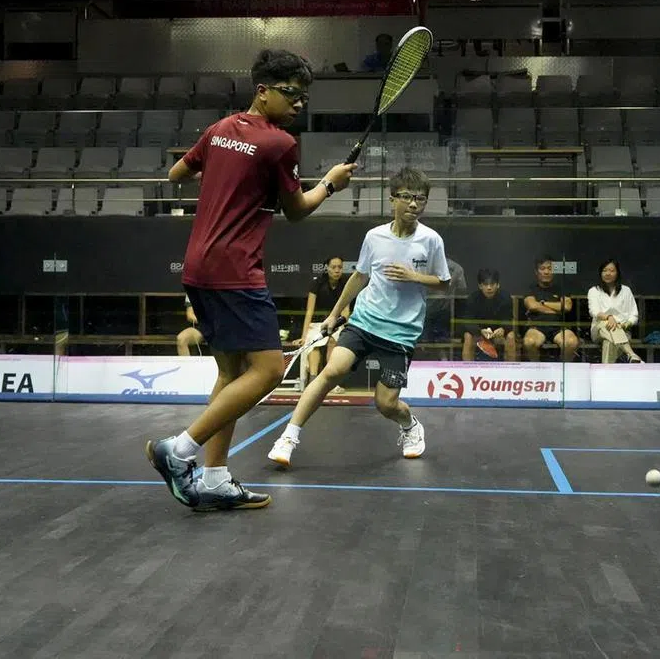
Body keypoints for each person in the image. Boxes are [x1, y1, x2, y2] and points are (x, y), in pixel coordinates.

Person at [144, 49, 357, 512]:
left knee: (230, 372)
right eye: (291, 94)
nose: (299, 104)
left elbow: (176, 174)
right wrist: (332, 183)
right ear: (263, 91)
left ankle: (217, 478)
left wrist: (227, 179)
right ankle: (178, 451)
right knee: (268, 370)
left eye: (304, 97)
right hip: (236, 269)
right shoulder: (280, 144)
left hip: (198, 265)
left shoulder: (219, 129)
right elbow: (297, 210)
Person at [267, 168, 451, 468]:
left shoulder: (431, 241)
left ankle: (410, 425)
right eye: (407, 197)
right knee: (331, 371)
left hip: (401, 333)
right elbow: (359, 278)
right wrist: (335, 314)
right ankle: (288, 437)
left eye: (420, 199)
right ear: (393, 200)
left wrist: (414, 276)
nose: (414, 204)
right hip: (365, 321)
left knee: (385, 403)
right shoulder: (374, 237)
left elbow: (444, 283)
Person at [293, 256, 350, 386]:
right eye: (333, 267)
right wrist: (304, 336)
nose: (337, 270)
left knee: (332, 341)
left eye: (340, 267)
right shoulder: (316, 283)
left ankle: (330, 382)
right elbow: (309, 311)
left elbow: (346, 313)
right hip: (317, 324)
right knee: (315, 344)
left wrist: (338, 325)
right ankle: (314, 380)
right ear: (327, 268)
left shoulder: (346, 284)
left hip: (337, 323)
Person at [522, 256, 579, 361]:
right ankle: (537, 370)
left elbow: (567, 307)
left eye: (550, 268)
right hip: (537, 327)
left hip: (559, 327)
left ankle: (562, 372)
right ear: (536, 271)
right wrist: (557, 307)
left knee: (572, 342)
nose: (546, 272)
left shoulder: (561, 289)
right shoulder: (531, 288)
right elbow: (532, 306)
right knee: (529, 342)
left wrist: (542, 303)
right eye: (542, 268)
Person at [587, 259, 643, 363]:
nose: (608, 273)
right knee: (606, 324)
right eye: (604, 270)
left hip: (622, 330)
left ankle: (606, 373)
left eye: (612, 271)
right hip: (599, 330)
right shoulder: (594, 290)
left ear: (617, 273)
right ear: (600, 273)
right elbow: (594, 312)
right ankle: (631, 353)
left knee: (609, 343)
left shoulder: (626, 291)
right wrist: (608, 317)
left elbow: (634, 315)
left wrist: (624, 325)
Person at [462, 268, 517, 361]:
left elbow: (509, 319)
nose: (489, 288)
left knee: (511, 336)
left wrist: (503, 328)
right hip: (479, 332)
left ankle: (510, 372)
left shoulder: (505, 297)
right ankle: (468, 371)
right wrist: (480, 331)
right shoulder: (472, 298)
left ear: (498, 285)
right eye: (485, 284)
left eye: (492, 284)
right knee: (468, 336)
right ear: (480, 286)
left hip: (498, 332)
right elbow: (467, 321)